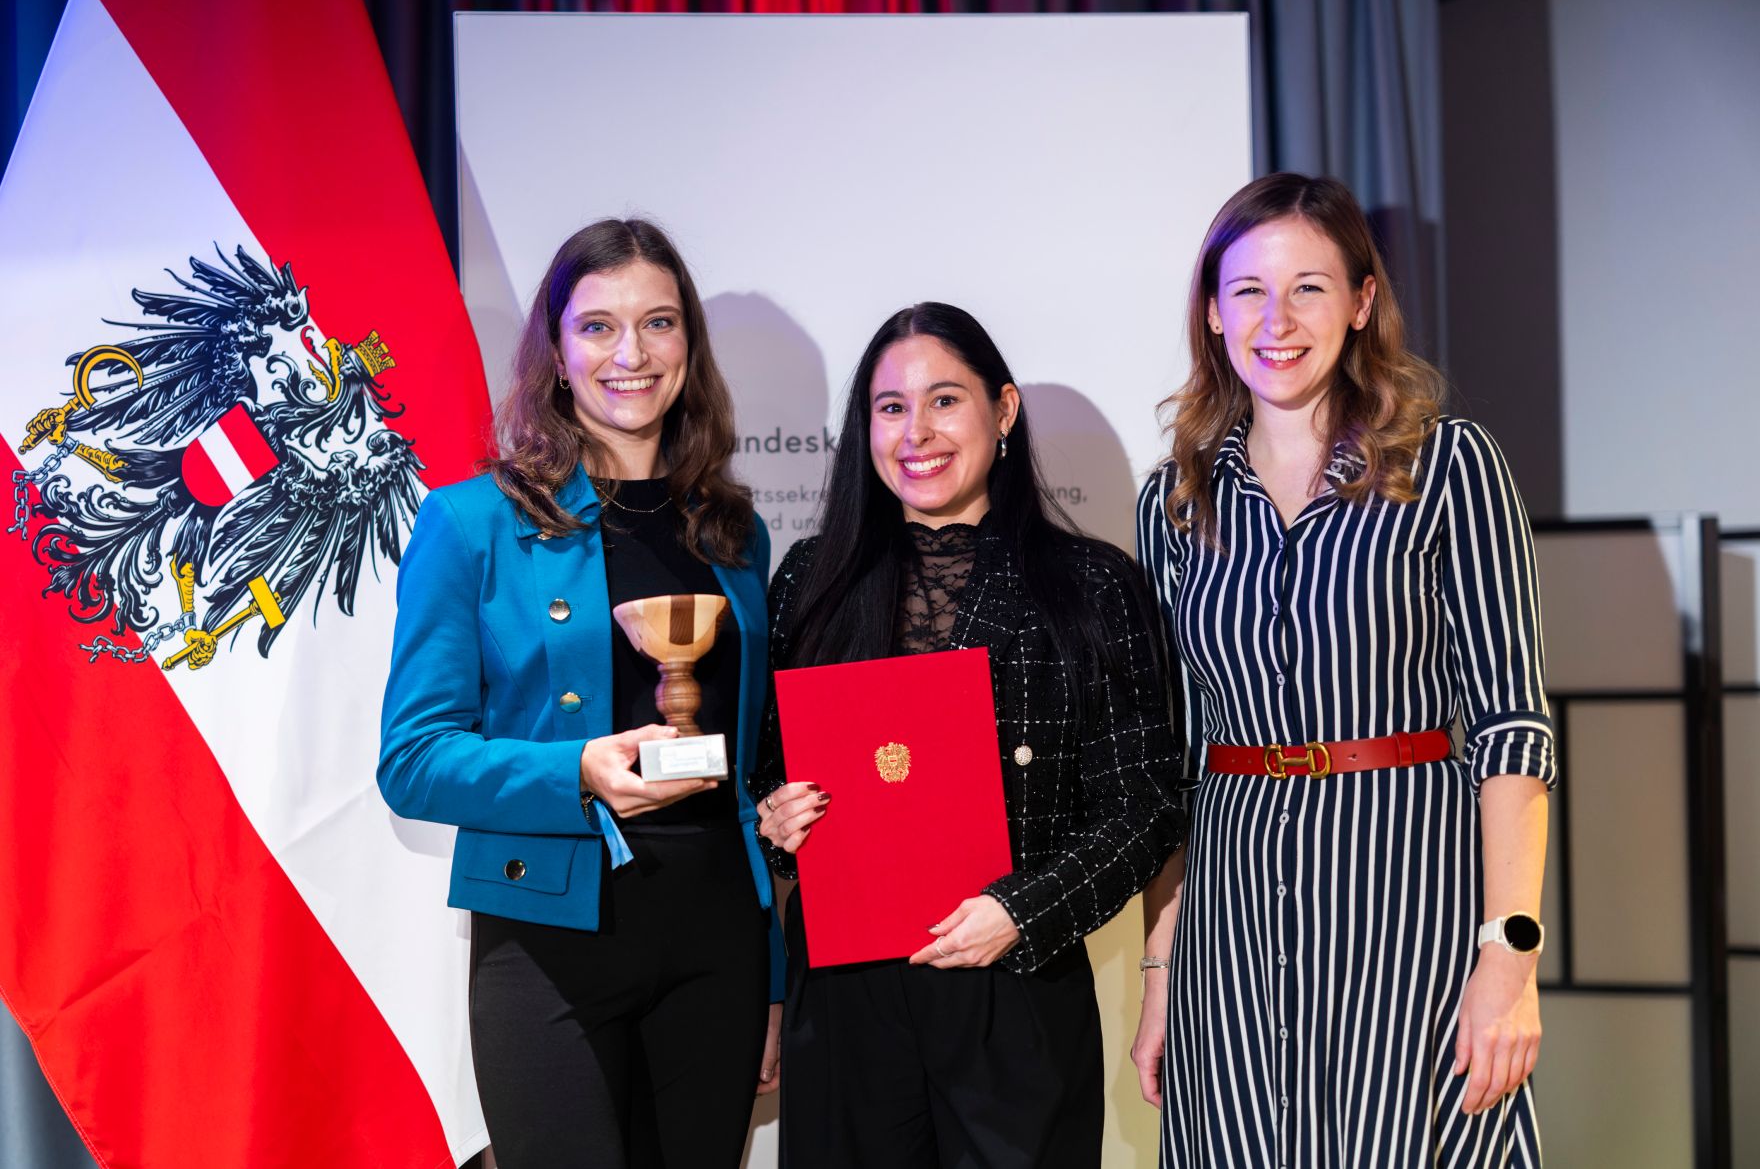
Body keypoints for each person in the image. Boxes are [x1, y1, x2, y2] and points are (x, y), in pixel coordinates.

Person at [1132, 173, 1556, 1167]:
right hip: (1227, 922)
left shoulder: (1446, 466)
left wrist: (1509, 952)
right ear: (1210, 309)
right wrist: (1161, 976)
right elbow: (1176, 760)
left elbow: (1509, 728)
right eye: (1246, 291)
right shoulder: (1172, 504)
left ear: (1361, 302)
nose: (1275, 321)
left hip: (1408, 903)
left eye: (1309, 288)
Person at [377, 218, 784, 1169]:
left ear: (689, 345)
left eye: (659, 323)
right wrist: (579, 771)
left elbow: (752, 767)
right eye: (597, 326)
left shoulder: (737, 532)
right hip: (550, 944)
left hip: (719, 944)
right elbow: (413, 760)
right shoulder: (470, 522)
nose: (631, 355)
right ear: (556, 353)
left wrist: (771, 972)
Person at [755, 301, 1188, 1169]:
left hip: (1017, 991)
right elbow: (767, 770)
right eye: (889, 407)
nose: (916, 431)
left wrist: (1020, 911)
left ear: (1005, 409)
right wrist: (776, 820)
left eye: (945, 399)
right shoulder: (811, 579)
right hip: (845, 999)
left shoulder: (1092, 584)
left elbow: (1145, 806)